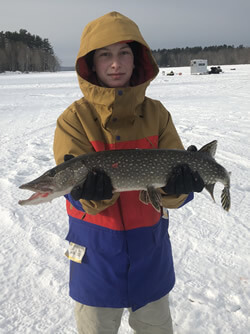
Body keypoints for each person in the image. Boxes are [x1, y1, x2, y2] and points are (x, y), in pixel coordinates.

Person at [53, 11, 204, 334]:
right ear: (90, 64)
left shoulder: (157, 114)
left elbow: (173, 197)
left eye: (124, 53)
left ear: (137, 61)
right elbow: (71, 185)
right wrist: (88, 196)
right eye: (105, 55)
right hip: (95, 256)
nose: (115, 64)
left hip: (149, 253)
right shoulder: (73, 120)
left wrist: (177, 188)